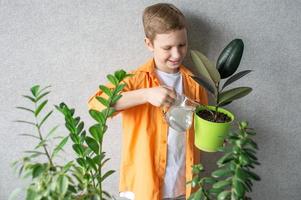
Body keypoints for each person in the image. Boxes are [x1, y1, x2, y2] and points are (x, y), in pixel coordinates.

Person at [88, 3, 208, 200]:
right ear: (149, 44)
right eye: (167, 48)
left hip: (184, 186)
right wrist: (145, 95)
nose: (177, 54)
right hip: (142, 186)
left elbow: (202, 123)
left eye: (182, 45)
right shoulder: (135, 80)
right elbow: (96, 105)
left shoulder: (194, 82)